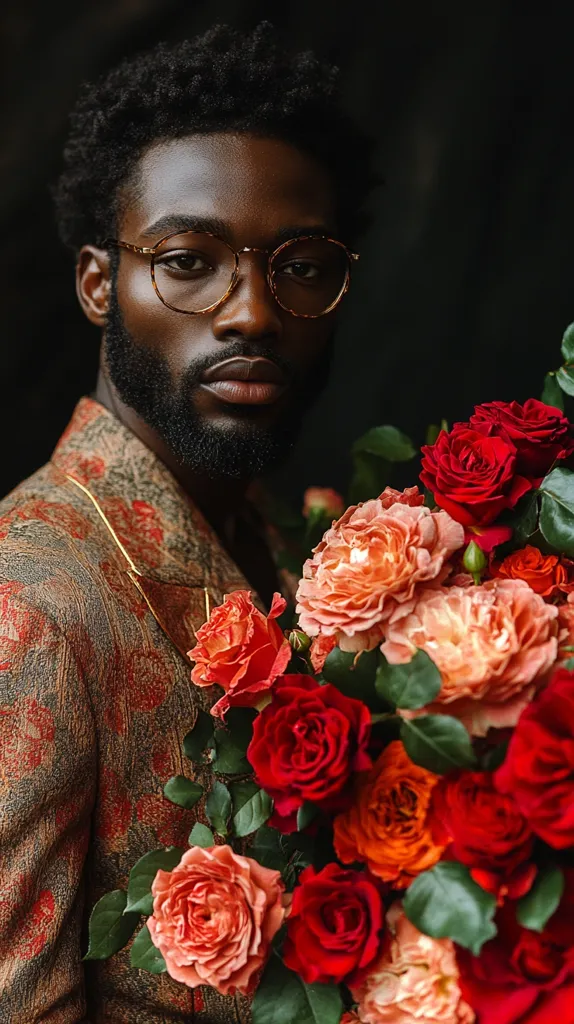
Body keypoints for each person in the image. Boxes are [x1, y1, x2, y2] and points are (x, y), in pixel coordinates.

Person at [0, 22, 373, 1023]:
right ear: (98, 285)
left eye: (302, 265)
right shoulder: (28, 603)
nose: (252, 311)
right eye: (187, 260)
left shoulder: (297, 547)